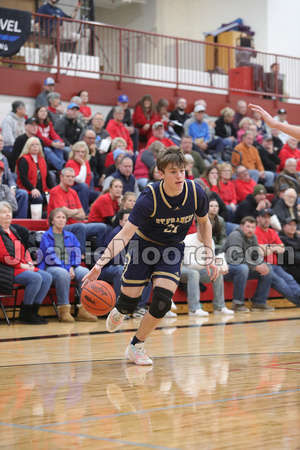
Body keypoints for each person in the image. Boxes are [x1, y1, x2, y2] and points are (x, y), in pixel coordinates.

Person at [82, 146, 218, 366]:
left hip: (172, 249)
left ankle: (136, 346)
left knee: (162, 302)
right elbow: (125, 234)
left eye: (182, 170)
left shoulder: (195, 192)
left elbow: (204, 222)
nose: (179, 175)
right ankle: (121, 308)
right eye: (173, 171)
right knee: (129, 302)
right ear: (160, 173)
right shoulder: (149, 198)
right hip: (144, 247)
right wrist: (100, 264)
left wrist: (209, 255)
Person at [38, 208, 98, 323]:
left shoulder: (71, 236)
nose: (61, 220)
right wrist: (67, 268)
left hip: (70, 266)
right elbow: (51, 256)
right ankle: (64, 310)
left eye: (63, 218)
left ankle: (84, 309)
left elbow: (77, 253)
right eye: (58, 217)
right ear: (52, 221)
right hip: (51, 267)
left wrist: (72, 266)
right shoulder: (46, 236)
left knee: (85, 273)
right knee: (63, 274)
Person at [0, 201, 52, 324]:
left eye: (9, 212)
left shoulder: (13, 230)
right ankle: (25, 312)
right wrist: (22, 265)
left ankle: (34, 311)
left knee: (47, 277)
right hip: (6, 269)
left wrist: (28, 261)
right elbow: (3, 256)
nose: (7, 214)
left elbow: (23, 249)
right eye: (3, 212)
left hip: (20, 266)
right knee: (35, 278)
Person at [47, 167, 108, 254]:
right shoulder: (55, 191)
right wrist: (75, 211)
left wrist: (70, 212)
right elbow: (63, 212)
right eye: (68, 176)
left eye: (72, 177)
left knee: (102, 227)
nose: (71, 179)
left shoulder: (73, 192)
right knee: (81, 227)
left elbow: (82, 215)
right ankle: (79, 256)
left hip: (76, 226)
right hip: (61, 227)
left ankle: (100, 255)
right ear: (61, 177)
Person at [220, 216, 274, 312]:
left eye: (253, 227)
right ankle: (237, 304)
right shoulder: (235, 235)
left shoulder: (253, 237)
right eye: (248, 227)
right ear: (241, 226)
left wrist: (262, 265)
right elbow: (236, 258)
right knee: (243, 268)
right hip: (225, 269)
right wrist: (255, 266)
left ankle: (259, 302)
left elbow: (256, 256)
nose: (250, 230)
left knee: (268, 268)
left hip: (241, 267)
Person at [180, 228, 233, 316]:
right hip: (181, 270)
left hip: (199, 270)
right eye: (203, 230)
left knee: (217, 272)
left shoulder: (210, 241)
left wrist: (220, 267)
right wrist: (207, 262)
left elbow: (211, 261)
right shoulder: (188, 240)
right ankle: (194, 309)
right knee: (194, 273)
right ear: (198, 229)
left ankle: (219, 307)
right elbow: (189, 264)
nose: (206, 233)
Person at [255, 209, 300, 306]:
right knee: (282, 284)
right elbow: (259, 251)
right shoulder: (255, 232)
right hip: (264, 266)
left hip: (275, 265)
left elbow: (282, 248)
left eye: (268, 217)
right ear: (258, 218)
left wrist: (268, 247)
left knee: (289, 279)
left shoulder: (272, 232)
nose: (267, 220)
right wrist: (273, 247)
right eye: (264, 217)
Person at [35, 0, 81, 70]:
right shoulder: (43, 8)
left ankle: (47, 78)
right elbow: (37, 22)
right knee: (44, 58)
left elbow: (70, 19)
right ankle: (40, 76)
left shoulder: (59, 10)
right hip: (46, 36)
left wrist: (76, 9)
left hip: (56, 38)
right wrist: (40, 35)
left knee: (51, 59)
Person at [16, 137, 54, 212]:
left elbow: (48, 177)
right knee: (38, 198)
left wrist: (54, 189)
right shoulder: (24, 159)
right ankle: (35, 219)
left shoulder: (42, 159)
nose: (35, 147)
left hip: (43, 190)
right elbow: (23, 178)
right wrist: (32, 189)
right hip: (28, 189)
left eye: (37, 145)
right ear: (28, 147)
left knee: (53, 196)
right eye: (32, 145)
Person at [65, 141, 99, 214]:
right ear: (74, 152)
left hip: (84, 190)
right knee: (83, 186)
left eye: (83, 152)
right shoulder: (71, 163)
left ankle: (95, 215)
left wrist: (83, 163)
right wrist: (82, 164)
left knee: (101, 195)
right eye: (78, 151)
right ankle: (83, 213)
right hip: (71, 190)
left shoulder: (86, 162)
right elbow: (80, 180)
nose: (80, 154)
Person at [1, 133, 28, 219]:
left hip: (5, 187)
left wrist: (12, 187)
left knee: (23, 193)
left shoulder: (4, 158)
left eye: (1, 141)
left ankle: (20, 220)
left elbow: (9, 176)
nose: (0, 143)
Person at [34, 105, 67, 171]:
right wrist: (53, 144)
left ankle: (61, 166)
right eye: (41, 111)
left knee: (58, 144)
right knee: (47, 150)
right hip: (39, 145)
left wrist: (60, 142)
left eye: (45, 111)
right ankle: (62, 166)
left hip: (49, 144)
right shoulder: (34, 124)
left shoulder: (49, 123)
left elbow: (53, 134)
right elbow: (40, 137)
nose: (44, 113)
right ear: (37, 113)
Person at [279, 218, 300, 284]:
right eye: (290, 225)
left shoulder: (297, 238)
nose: (292, 227)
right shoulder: (280, 239)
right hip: (287, 266)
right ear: (284, 227)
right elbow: (288, 256)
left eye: (294, 225)